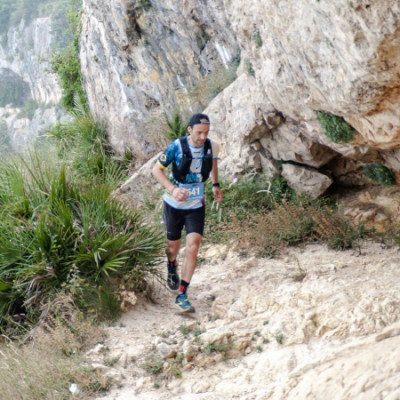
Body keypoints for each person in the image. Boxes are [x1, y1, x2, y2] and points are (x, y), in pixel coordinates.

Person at [152, 113, 223, 312]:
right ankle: (171, 264)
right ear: (190, 130)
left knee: (193, 246)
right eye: (199, 132)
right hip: (173, 205)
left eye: (206, 132)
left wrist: (215, 184)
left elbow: (213, 163)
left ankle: (182, 294)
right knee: (173, 248)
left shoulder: (212, 146)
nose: (203, 137)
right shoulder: (176, 146)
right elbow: (156, 170)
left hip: (196, 205)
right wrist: (173, 189)